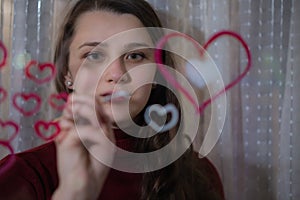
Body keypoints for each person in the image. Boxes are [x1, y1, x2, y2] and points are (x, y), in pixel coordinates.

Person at [0, 0, 225, 199]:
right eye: (94, 55)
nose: (116, 74)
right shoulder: (21, 178)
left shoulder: (199, 174)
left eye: (135, 56)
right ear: (67, 74)